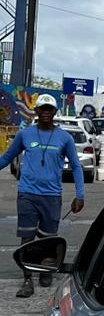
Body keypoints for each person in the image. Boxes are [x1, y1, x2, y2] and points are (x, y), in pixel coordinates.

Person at [0, 94, 85, 298]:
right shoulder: (25, 135)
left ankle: (45, 271)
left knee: (49, 238)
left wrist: (80, 194)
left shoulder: (65, 138)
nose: (46, 112)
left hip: (52, 196)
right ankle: (27, 279)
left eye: (50, 109)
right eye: (42, 109)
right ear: (36, 112)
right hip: (27, 194)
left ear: (55, 113)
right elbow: (6, 158)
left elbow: (76, 166)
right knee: (27, 237)